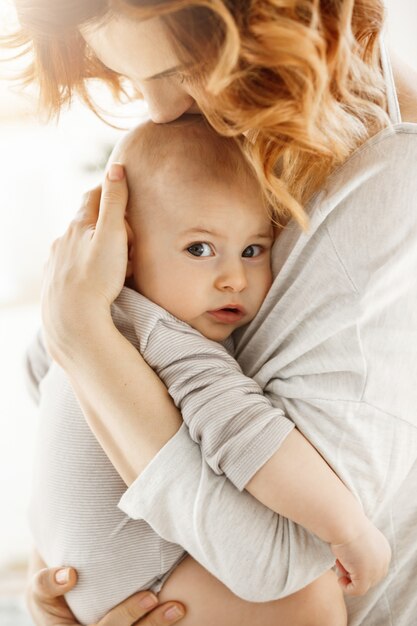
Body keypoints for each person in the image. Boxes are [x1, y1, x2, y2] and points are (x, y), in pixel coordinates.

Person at [5, 1, 417, 625]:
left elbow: (275, 561)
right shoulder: (199, 167)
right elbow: (70, 400)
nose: (158, 110)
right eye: (131, 77)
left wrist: (82, 335)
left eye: (178, 70)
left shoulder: (385, 182)